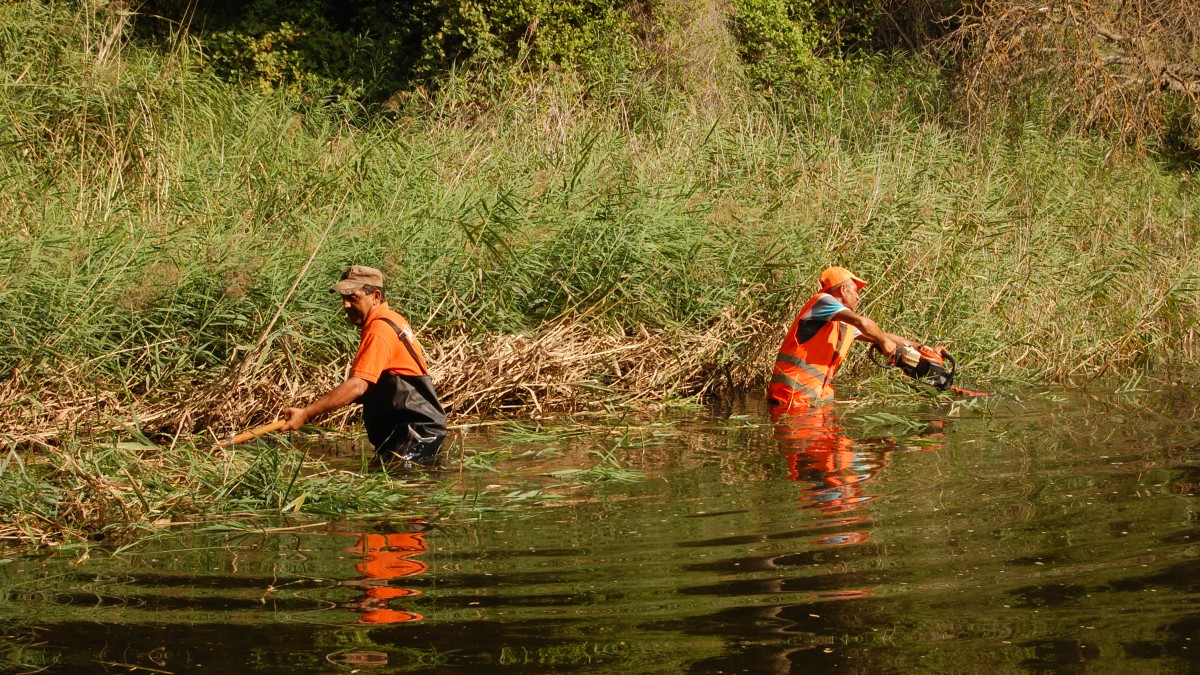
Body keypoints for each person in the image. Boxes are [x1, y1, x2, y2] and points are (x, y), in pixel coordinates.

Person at [281, 265, 446, 464]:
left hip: (413, 432)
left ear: (375, 296)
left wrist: (306, 413)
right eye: (343, 298)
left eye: (352, 298)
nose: (345, 305)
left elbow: (358, 386)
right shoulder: (392, 319)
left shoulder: (379, 331)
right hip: (416, 429)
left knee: (400, 488)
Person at [768, 266, 932, 412]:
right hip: (791, 402)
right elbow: (863, 323)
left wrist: (923, 348)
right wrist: (883, 341)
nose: (858, 297)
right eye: (855, 291)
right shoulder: (822, 301)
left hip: (810, 403)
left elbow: (882, 334)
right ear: (843, 289)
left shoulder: (841, 323)